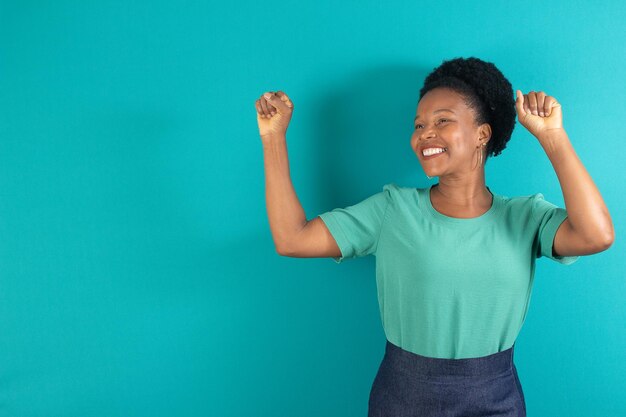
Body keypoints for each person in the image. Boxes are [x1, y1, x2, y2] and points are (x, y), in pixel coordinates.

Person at [255, 57, 614, 417]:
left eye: (443, 120)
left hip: (497, 400)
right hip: (403, 399)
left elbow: (595, 235)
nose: (424, 133)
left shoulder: (526, 217)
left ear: (482, 134)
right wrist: (273, 137)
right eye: (419, 124)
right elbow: (292, 238)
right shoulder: (392, 209)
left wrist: (552, 137)